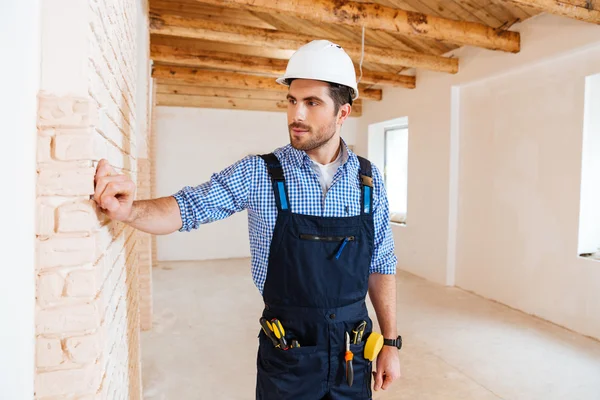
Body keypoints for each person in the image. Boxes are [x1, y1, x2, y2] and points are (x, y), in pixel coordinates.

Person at [93, 39, 401, 399]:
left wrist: (391, 342)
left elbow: (382, 263)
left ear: (343, 113)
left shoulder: (368, 180)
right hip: (289, 352)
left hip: (354, 350)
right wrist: (129, 210)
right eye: (292, 100)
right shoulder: (261, 173)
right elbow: (189, 207)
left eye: (312, 103)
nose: (296, 115)